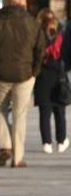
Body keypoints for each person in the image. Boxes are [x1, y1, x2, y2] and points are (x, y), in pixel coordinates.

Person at [0, 0, 45, 167]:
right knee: (20, 114)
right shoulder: (33, 23)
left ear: (6, 2)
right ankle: (18, 158)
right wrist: (34, 72)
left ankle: (5, 146)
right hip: (24, 75)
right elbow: (40, 50)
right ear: (23, 3)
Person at [34, 9, 68, 153]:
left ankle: (46, 143)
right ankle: (61, 141)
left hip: (42, 76)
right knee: (60, 111)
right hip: (59, 75)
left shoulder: (37, 35)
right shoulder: (62, 35)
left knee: (44, 112)